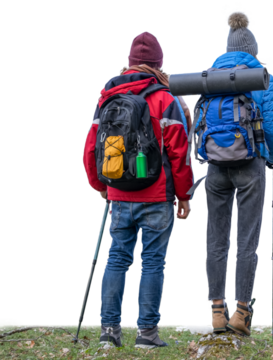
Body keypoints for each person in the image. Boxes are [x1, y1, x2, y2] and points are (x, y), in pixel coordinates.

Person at [82, 30, 194, 349]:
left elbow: (91, 148)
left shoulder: (107, 96)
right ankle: (146, 334)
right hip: (157, 195)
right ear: (158, 64)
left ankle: (108, 333)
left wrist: (99, 185)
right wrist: (183, 195)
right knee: (153, 261)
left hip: (118, 193)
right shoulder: (165, 98)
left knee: (117, 258)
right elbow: (179, 153)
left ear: (130, 62)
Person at [203, 8, 273, 337]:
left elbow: (201, 117)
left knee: (216, 237)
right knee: (247, 239)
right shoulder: (262, 74)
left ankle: (217, 311)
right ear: (252, 49)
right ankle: (242, 312)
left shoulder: (210, 75)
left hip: (216, 163)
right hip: (251, 163)